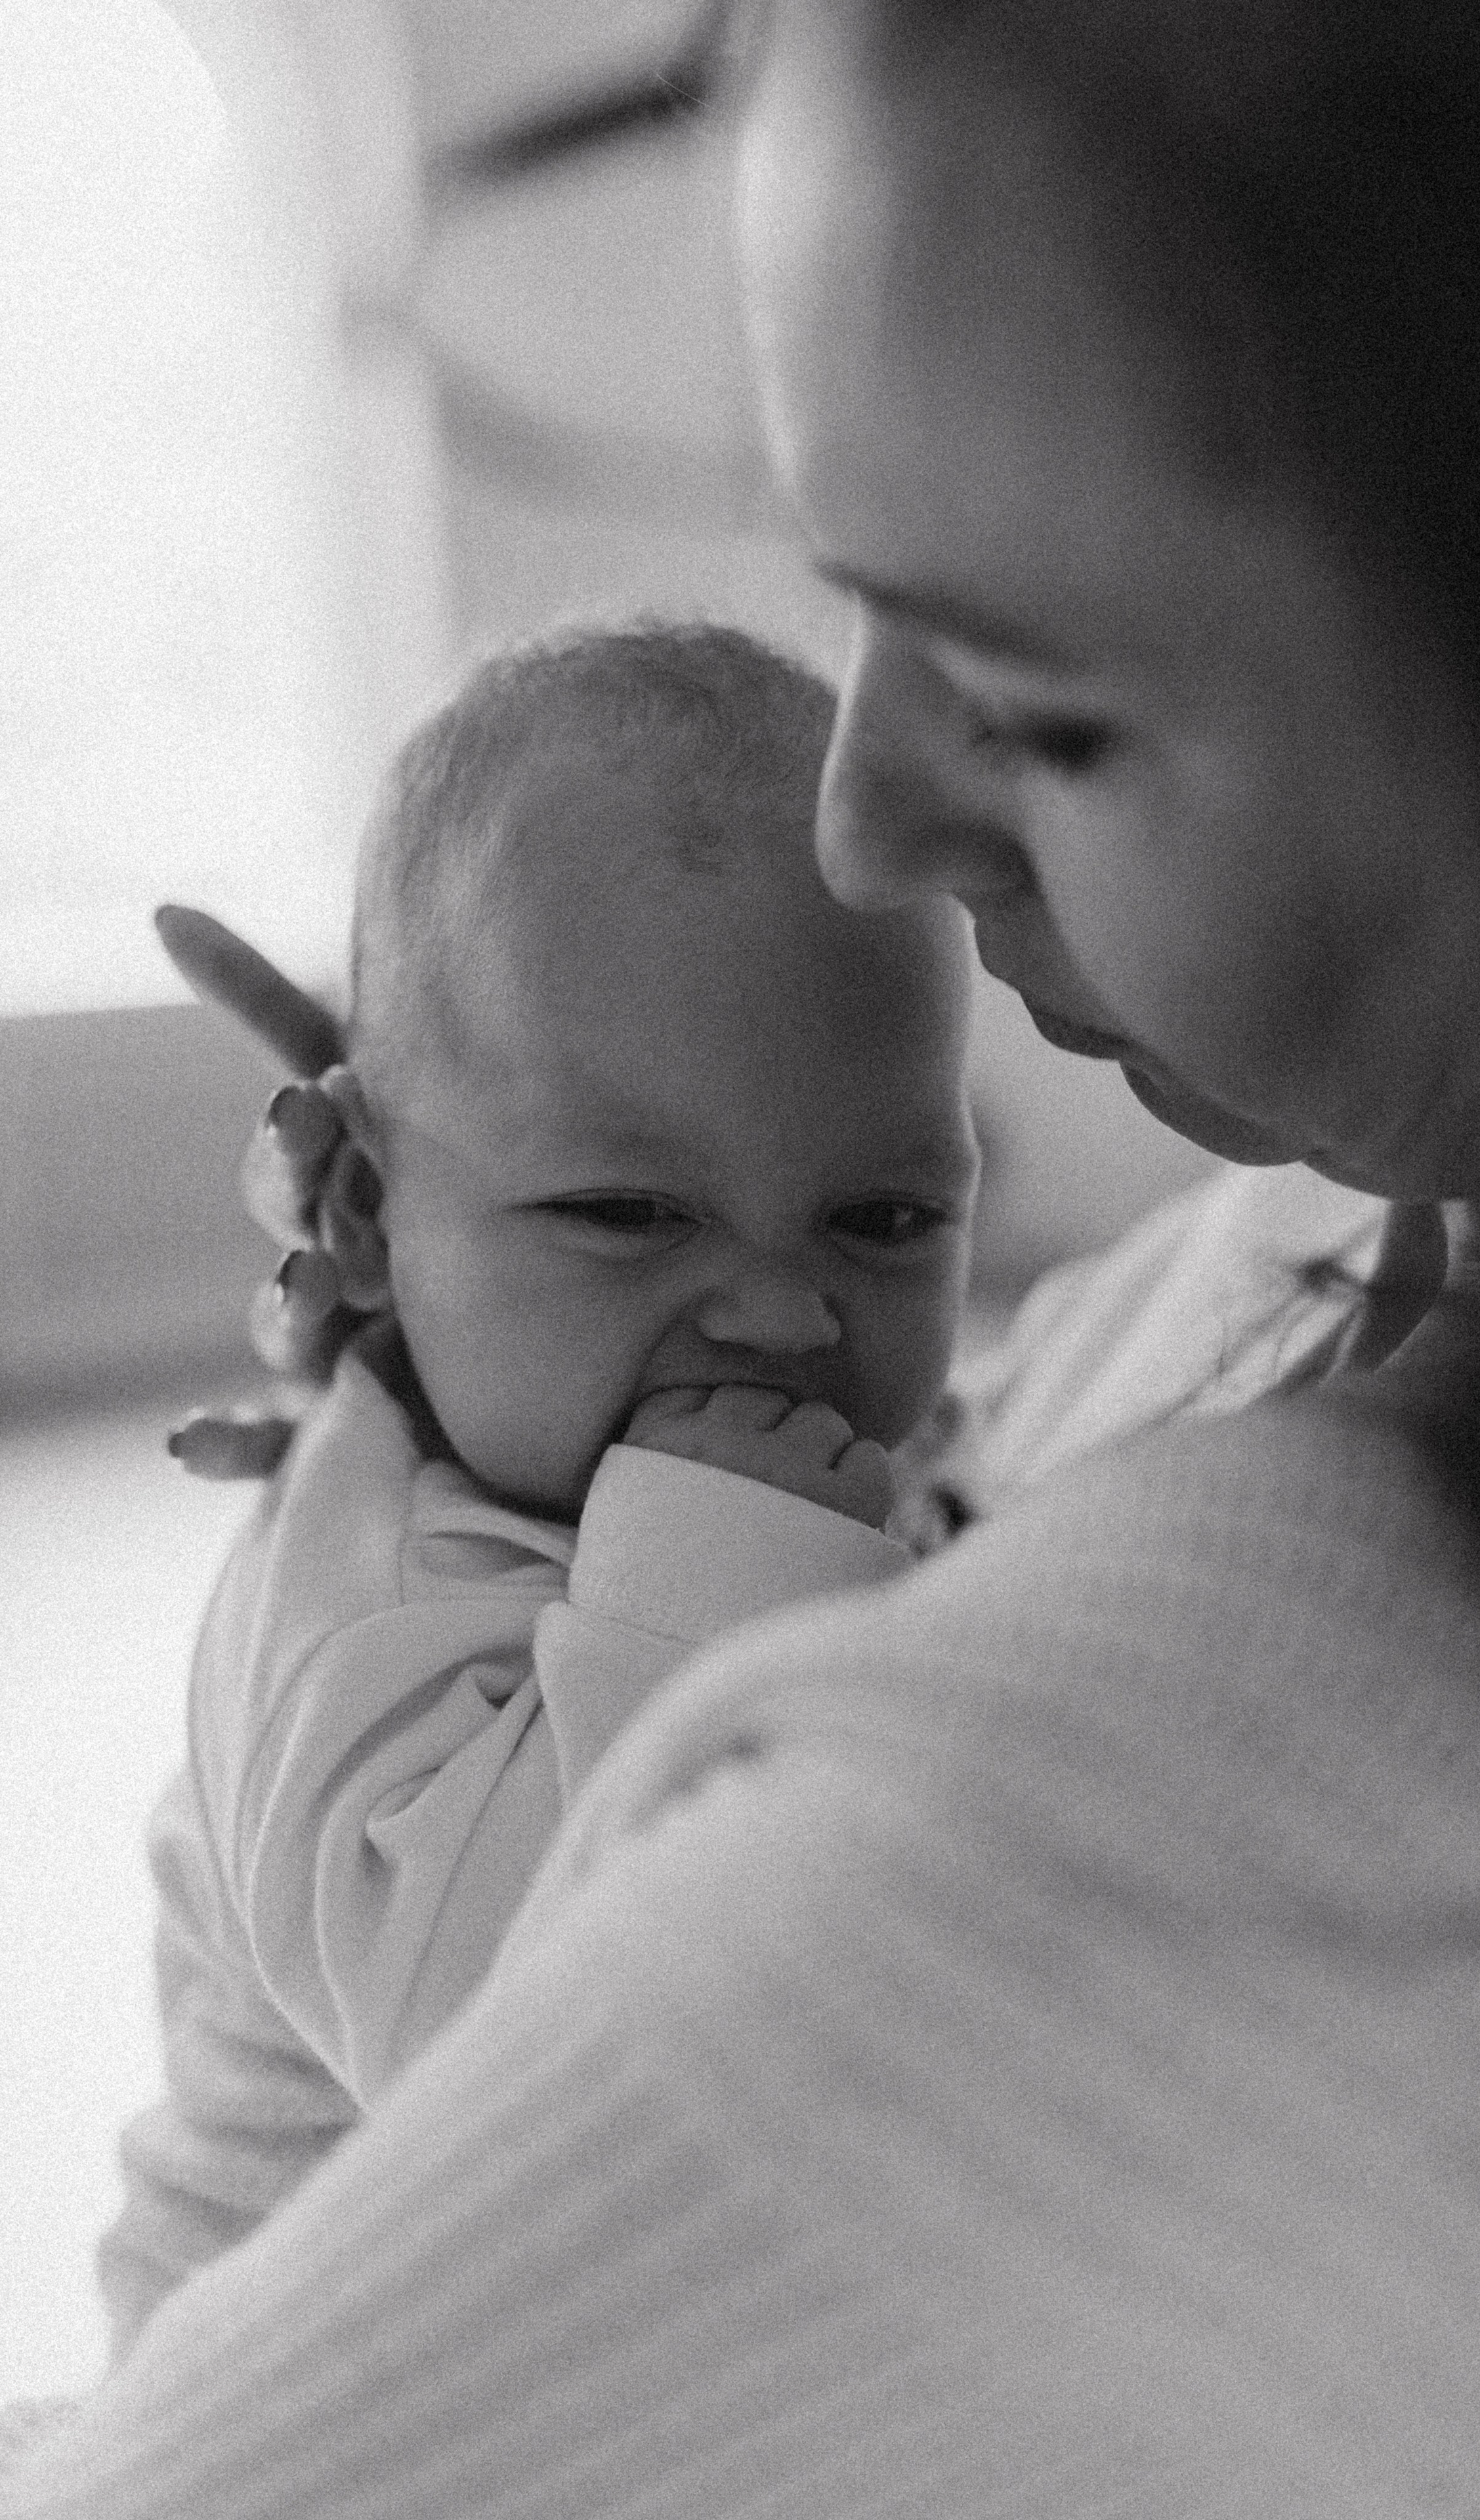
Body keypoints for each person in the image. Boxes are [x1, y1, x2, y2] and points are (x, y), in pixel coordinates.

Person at [10, 1, 1480, 2508]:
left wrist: (624, 1378)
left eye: (1037, 702)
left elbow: (568, 2055)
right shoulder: (1306, 1252)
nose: (864, 819)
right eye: (856, 599)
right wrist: (491, 1316)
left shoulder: (1128, 1788)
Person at [96, 620, 977, 2357]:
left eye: (884, 1221)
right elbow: (516, 2075)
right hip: (323, 2410)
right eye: (627, 1215)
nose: (782, 1314)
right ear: (364, 1214)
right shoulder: (360, 1594)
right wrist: (716, 1569)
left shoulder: (783, 1444)